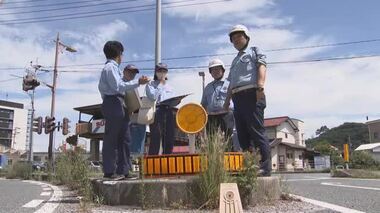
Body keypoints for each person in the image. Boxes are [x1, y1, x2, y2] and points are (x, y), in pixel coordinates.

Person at [223, 24, 271, 176]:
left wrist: (260, 87)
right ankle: (249, 165)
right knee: (242, 134)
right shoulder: (235, 60)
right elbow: (231, 83)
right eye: (233, 39)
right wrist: (226, 101)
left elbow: (262, 67)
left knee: (256, 131)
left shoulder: (254, 51)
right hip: (237, 98)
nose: (236, 40)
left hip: (252, 93)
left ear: (246, 37)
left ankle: (265, 167)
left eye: (239, 37)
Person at [98, 41, 149, 180]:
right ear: (119, 54)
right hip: (113, 101)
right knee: (112, 137)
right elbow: (118, 86)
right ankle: (110, 171)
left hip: (119, 103)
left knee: (125, 138)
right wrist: (138, 82)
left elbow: (121, 85)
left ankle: (124, 170)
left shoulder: (114, 69)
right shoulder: (110, 68)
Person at [201, 59, 240, 151]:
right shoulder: (208, 87)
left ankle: (230, 160)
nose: (215, 72)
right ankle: (213, 160)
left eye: (218, 69)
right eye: (213, 70)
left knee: (229, 138)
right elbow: (203, 104)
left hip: (226, 114)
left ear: (223, 70)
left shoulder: (230, 83)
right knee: (211, 140)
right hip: (211, 116)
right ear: (210, 72)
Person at [145, 63, 176, 155]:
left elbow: (173, 99)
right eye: (160, 71)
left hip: (169, 111)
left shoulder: (170, 86)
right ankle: (152, 164)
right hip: (156, 110)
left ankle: (167, 161)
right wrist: (160, 85)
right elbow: (152, 97)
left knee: (169, 137)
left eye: (164, 71)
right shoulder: (150, 84)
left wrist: (177, 101)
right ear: (155, 72)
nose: (162, 73)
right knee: (155, 137)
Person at [122, 64, 147, 156]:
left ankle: (135, 161)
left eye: (134, 73)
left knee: (136, 146)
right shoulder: (120, 83)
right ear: (124, 71)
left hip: (132, 117)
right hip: (123, 118)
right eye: (130, 72)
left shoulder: (133, 85)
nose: (132, 74)